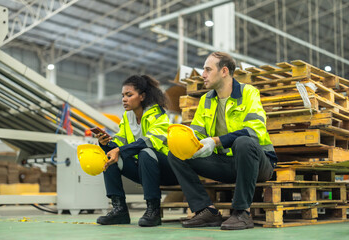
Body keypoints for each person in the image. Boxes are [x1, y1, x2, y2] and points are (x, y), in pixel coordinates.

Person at [167, 52, 277, 230]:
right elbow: (196, 134)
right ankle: (206, 210)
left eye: (208, 69)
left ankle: (242, 212)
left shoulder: (248, 93)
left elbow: (254, 132)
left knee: (243, 142)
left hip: (258, 163)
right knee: (176, 154)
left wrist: (216, 141)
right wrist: (181, 140)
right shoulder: (207, 100)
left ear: (224, 71)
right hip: (227, 164)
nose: (203, 74)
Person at [96, 75, 178, 227]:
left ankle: (152, 210)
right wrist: (106, 144)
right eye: (123, 96)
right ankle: (119, 210)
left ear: (142, 96)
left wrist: (120, 149)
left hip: (168, 170)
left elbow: (151, 141)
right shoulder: (128, 117)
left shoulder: (158, 114)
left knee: (145, 152)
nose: (124, 99)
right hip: (145, 170)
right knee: (109, 158)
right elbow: (119, 141)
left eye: (129, 95)